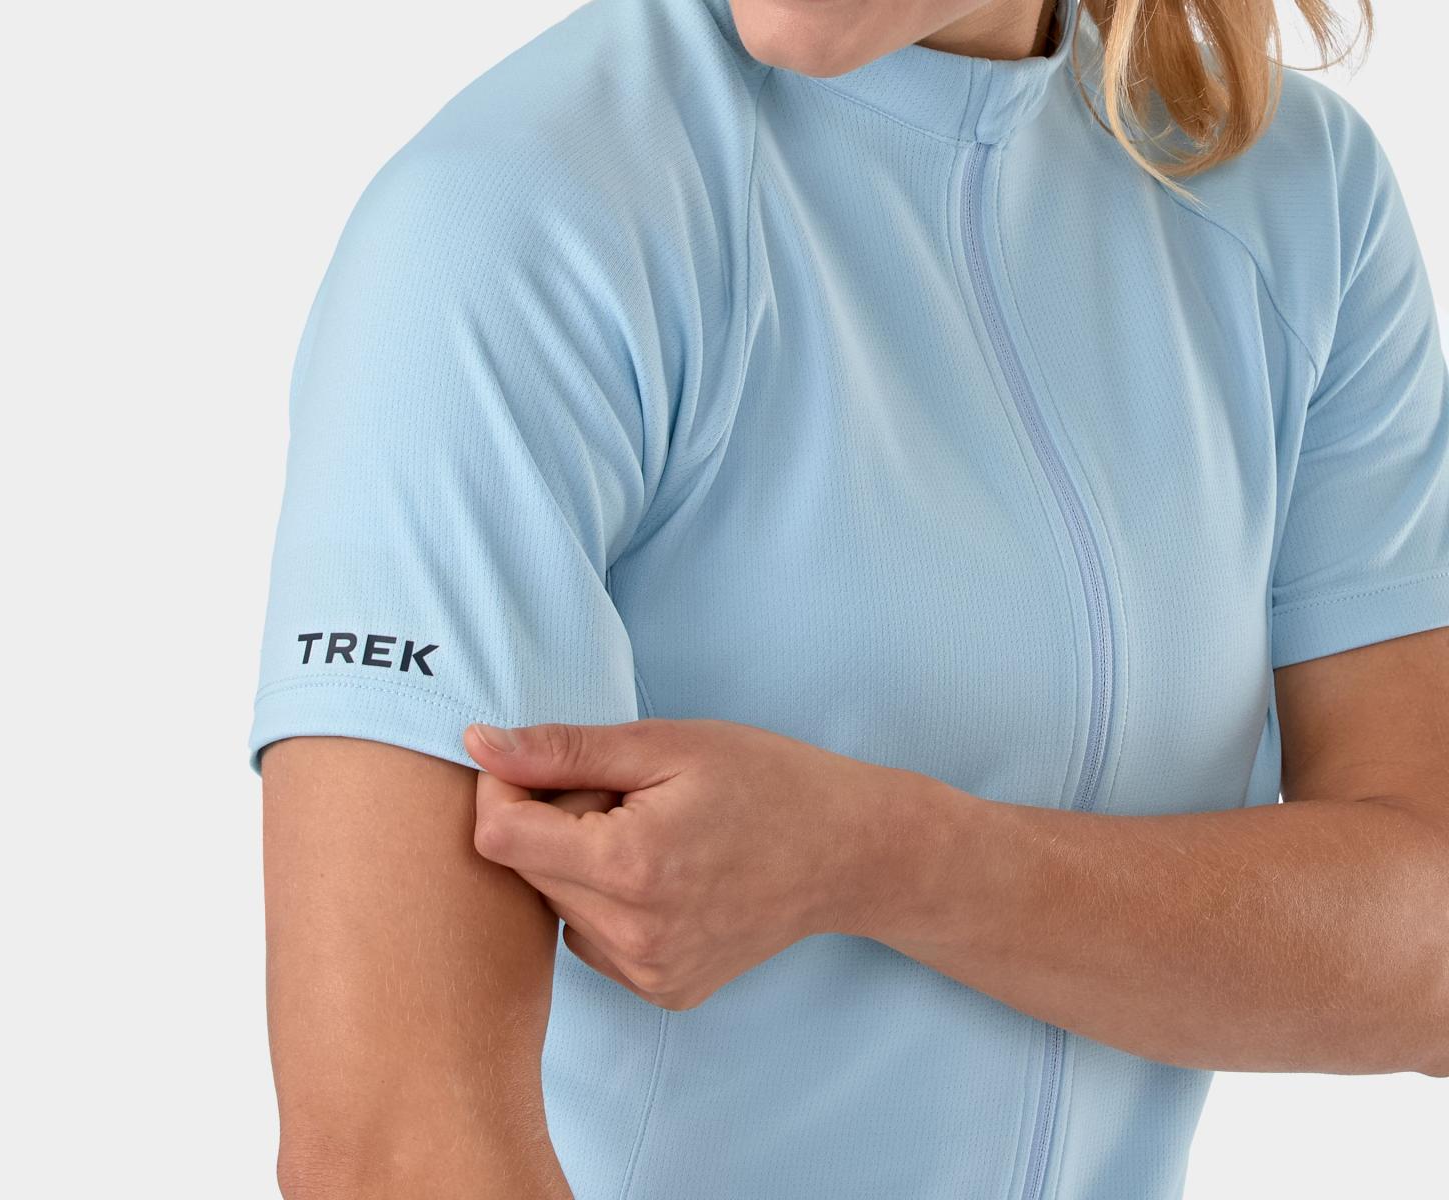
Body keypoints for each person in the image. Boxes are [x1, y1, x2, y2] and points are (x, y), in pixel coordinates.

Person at [248, 0, 1449, 1195]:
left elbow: (1430, 954)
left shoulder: (1290, 198)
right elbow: (391, 1149)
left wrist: (882, 859)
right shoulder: (524, 215)